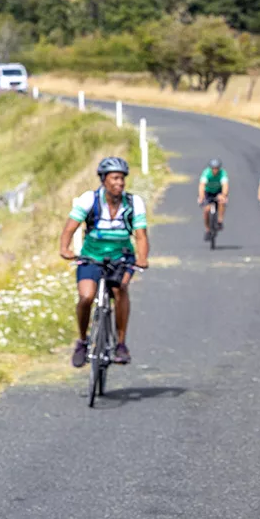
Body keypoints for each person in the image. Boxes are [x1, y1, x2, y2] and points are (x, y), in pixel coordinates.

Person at [59, 156, 150, 367]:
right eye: (115, 178)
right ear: (104, 180)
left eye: (122, 179)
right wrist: (65, 248)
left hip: (121, 257)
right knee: (86, 297)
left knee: (120, 290)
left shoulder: (133, 203)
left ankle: (120, 344)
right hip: (91, 255)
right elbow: (70, 227)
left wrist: (142, 257)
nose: (119, 183)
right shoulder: (89, 200)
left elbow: (141, 235)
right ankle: (82, 341)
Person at [198, 157, 229, 238]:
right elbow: (202, 185)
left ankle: (219, 221)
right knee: (206, 210)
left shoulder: (223, 173)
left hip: (218, 191)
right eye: (213, 169)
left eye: (217, 169)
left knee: (221, 202)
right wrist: (201, 196)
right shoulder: (206, 173)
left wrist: (223, 195)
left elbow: (225, 185)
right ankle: (208, 229)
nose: (215, 170)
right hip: (208, 192)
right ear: (211, 168)